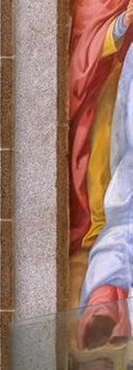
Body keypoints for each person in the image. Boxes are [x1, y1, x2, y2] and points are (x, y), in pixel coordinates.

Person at [70, 0, 133, 320]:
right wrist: (121, 23)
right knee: (117, 199)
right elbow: (81, 61)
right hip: (109, 95)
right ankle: (105, 294)